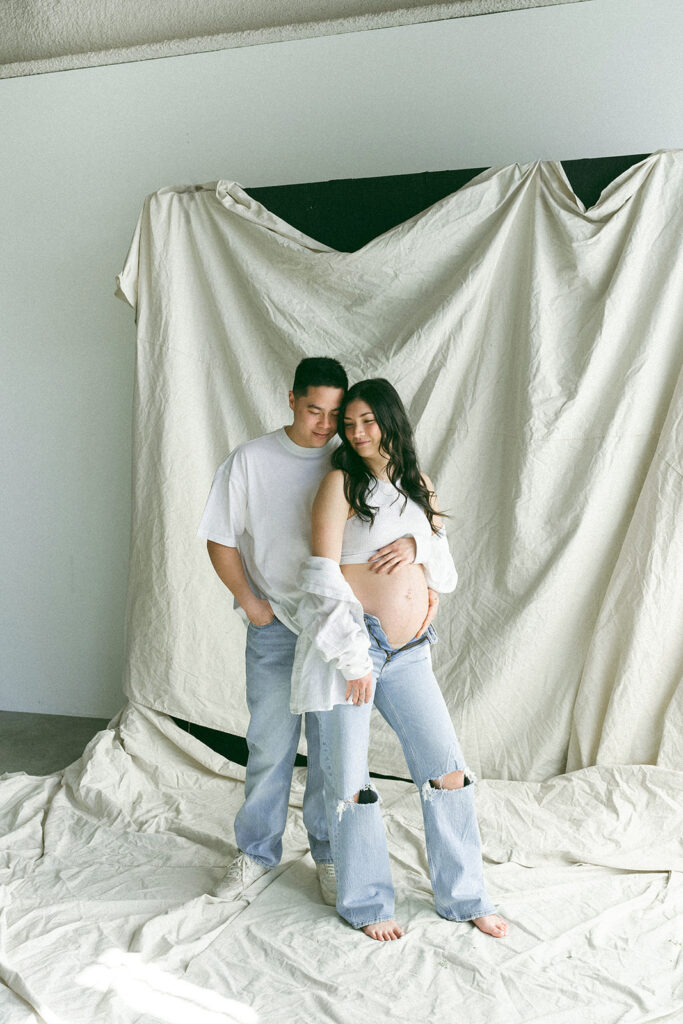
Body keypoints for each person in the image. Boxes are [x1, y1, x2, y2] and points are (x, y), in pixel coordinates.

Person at [197, 359, 421, 904]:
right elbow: (220, 538)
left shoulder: (351, 457)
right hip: (276, 623)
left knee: (331, 750)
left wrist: (417, 547)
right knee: (271, 744)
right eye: (314, 410)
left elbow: (406, 510)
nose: (325, 424)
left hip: (340, 628)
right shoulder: (250, 460)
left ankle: (328, 853)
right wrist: (251, 605)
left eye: (335, 413)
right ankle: (254, 852)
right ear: (292, 399)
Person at [292, 378, 508, 940]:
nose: (358, 432)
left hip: (410, 652)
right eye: (350, 422)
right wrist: (353, 657)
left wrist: (419, 547)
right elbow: (320, 577)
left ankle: (464, 896)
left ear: (391, 421)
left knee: (448, 770)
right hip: (352, 650)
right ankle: (366, 903)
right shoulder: (340, 483)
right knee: (353, 780)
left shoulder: (418, 484)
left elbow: (448, 573)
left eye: (369, 420)